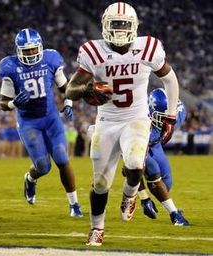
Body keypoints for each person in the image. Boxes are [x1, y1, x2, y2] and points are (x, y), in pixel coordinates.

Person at [66, 2, 180, 245]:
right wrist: (89, 87)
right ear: (105, 26)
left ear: (134, 26)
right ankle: (97, 228)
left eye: (123, 24)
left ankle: (130, 195)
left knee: (136, 163)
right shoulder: (93, 52)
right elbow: (70, 89)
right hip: (106, 122)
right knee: (100, 183)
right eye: (114, 24)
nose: (119, 30)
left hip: (136, 119)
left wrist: (170, 115)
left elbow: (170, 79)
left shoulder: (148, 48)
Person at [0, 28, 82, 217]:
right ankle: (30, 178)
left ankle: (74, 204)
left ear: (40, 47)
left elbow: (64, 87)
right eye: (26, 50)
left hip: (51, 118)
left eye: (33, 49)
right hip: (29, 123)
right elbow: (3, 103)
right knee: (43, 166)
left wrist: (68, 102)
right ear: (18, 50)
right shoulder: (9, 67)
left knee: (62, 158)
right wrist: (13, 103)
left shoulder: (50, 59)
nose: (30, 54)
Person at [130, 88, 189, 226]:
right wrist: (144, 197)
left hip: (155, 144)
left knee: (166, 185)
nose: (166, 122)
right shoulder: (138, 123)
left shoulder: (177, 110)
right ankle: (173, 214)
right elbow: (132, 166)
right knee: (149, 169)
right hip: (138, 144)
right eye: (163, 118)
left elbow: (175, 117)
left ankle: (162, 200)